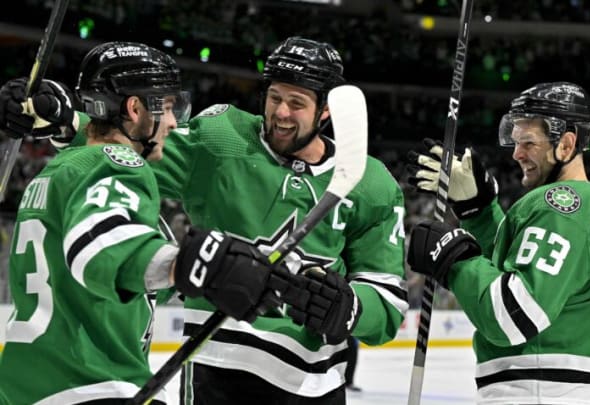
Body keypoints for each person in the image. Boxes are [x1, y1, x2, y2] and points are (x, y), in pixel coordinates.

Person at [20, 36, 409, 404]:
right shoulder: (223, 141)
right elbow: (134, 138)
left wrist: (351, 308)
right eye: (274, 98)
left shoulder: (371, 184)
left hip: (317, 382)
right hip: (217, 367)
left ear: (325, 111)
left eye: (297, 102)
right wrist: (62, 115)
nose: (281, 113)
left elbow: (387, 302)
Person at [0, 42, 286, 404]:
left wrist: (205, 277)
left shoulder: (61, 170)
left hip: (26, 388)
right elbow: (104, 250)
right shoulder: (117, 162)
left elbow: (129, 269)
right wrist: (189, 265)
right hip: (90, 383)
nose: (172, 122)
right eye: (167, 108)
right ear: (134, 108)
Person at [406, 82, 590, 404]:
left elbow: (513, 316)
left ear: (566, 144)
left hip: (549, 390)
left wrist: (454, 259)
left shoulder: (562, 207)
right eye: (515, 142)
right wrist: (476, 211)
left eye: (529, 143)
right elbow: (511, 271)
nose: (517, 154)